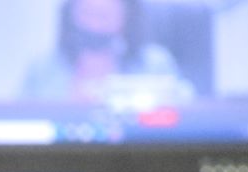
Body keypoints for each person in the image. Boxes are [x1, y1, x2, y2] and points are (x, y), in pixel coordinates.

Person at [20, 0, 189, 105]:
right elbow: (25, 118)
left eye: (104, 16)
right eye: (88, 14)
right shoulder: (44, 68)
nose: (94, 26)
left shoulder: (155, 64)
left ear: (126, 17)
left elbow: (188, 108)